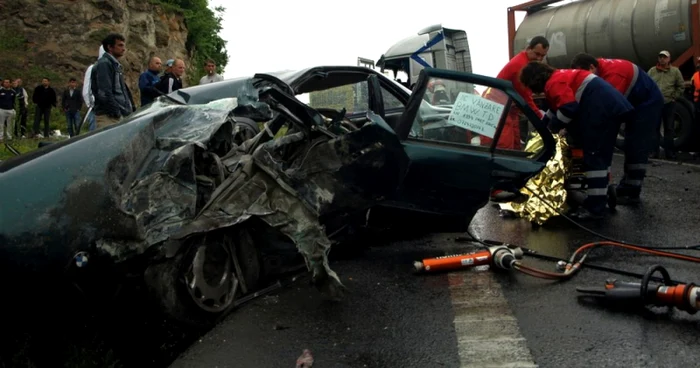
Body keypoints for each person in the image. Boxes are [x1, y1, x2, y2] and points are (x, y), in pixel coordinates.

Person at [520, 62, 633, 220]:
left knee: (594, 158)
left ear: (534, 80)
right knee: (601, 157)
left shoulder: (553, 83)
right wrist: (542, 126)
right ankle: (602, 194)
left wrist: (553, 128)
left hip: (601, 111)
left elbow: (568, 109)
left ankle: (595, 208)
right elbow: (555, 109)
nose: (532, 91)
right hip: (610, 109)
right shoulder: (560, 76)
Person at [570, 53, 664, 204]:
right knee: (629, 143)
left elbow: (609, 110)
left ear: (592, 67)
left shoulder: (613, 75)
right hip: (636, 102)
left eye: (585, 74)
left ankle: (631, 191)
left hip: (647, 105)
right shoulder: (601, 70)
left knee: (636, 144)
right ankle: (626, 186)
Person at [481, 36, 549, 150]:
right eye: (537, 54)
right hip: (497, 107)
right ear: (528, 49)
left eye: (542, 56)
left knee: (515, 142)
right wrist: (541, 118)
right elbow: (525, 97)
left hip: (507, 107)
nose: (539, 59)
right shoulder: (521, 66)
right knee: (503, 145)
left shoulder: (525, 62)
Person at [91, 33, 135, 129]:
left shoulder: (114, 64)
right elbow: (104, 92)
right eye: (120, 45)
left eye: (124, 46)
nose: (123, 49)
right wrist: (116, 112)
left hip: (116, 115)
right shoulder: (104, 64)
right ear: (110, 47)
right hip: (108, 117)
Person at [647, 50, 685, 159]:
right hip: (655, 104)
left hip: (669, 103)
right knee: (655, 128)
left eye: (664, 57)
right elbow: (647, 84)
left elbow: (681, 86)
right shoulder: (652, 71)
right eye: (660, 57)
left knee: (669, 128)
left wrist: (674, 97)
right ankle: (654, 152)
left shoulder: (675, 71)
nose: (662, 59)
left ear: (669, 59)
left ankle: (670, 153)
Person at [83, 45, 106, 132]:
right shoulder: (93, 68)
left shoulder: (114, 68)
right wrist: (92, 105)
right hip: (96, 109)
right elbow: (86, 90)